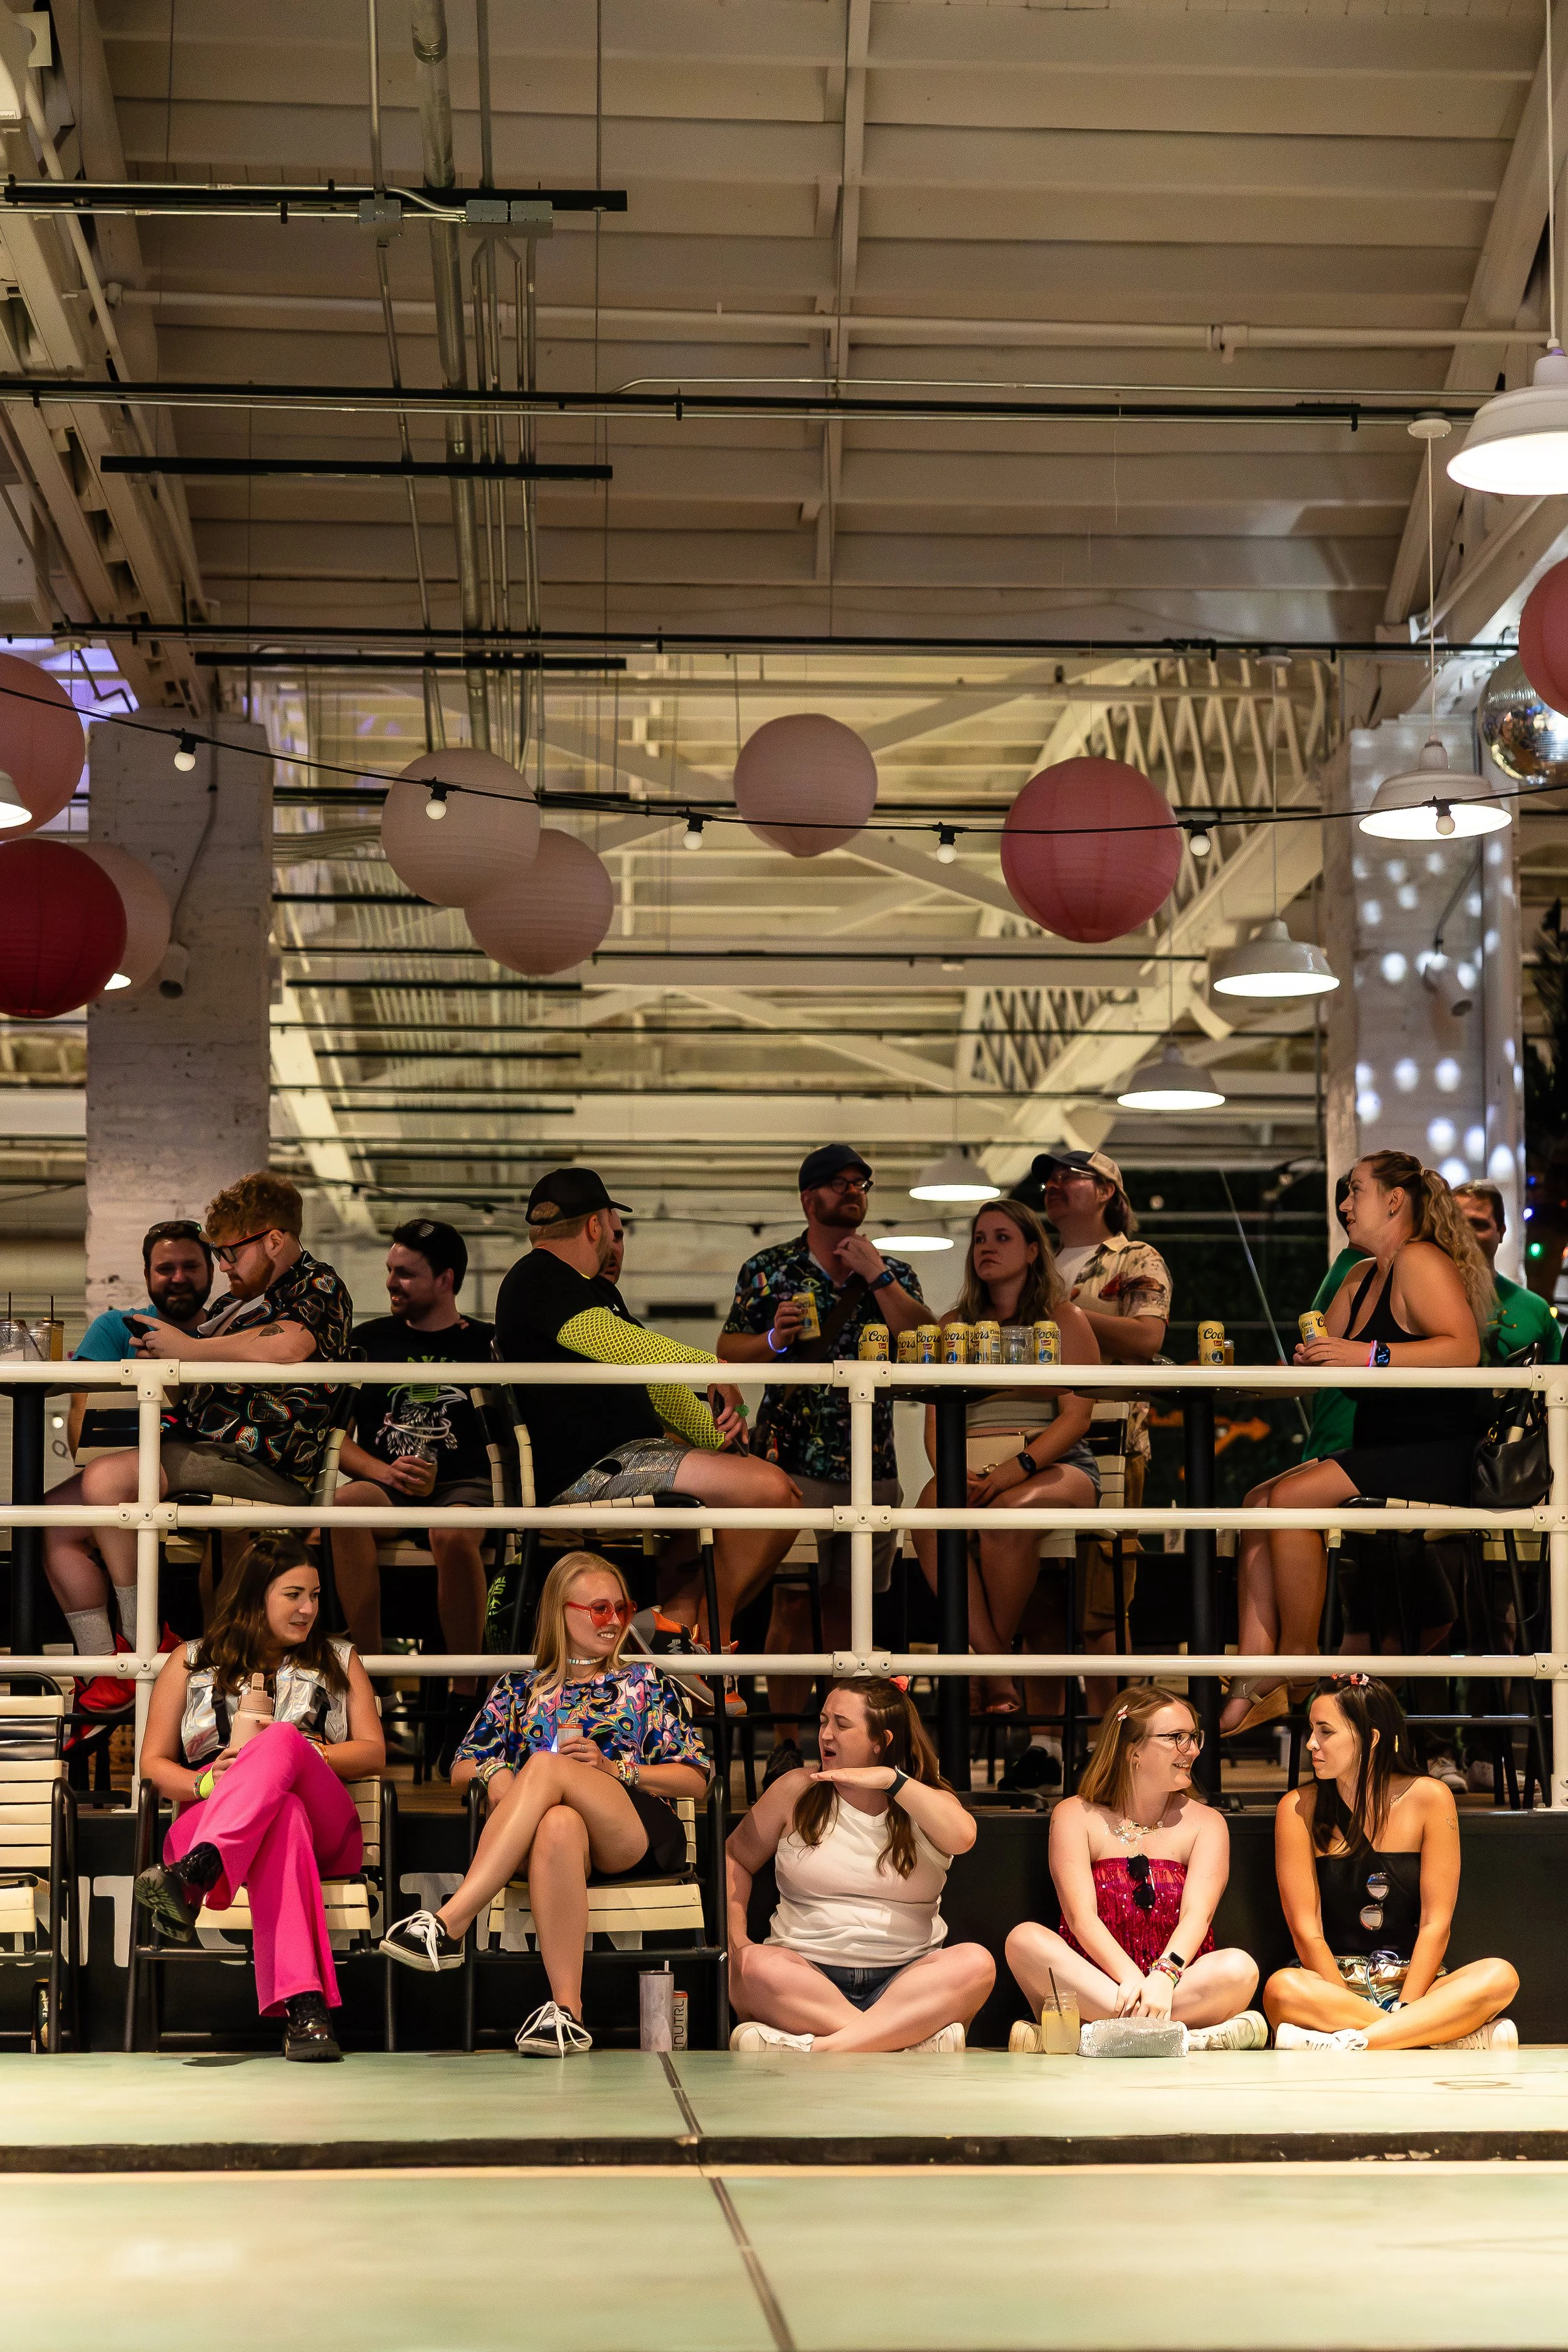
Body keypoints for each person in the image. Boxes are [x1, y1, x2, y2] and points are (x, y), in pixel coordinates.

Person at [378, 1549, 711, 2057]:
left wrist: (613, 1768)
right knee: (556, 1820)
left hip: (634, 1826)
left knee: (547, 1766)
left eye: (622, 1608)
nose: (615, 1621)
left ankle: (451, 1922)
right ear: (561, 1611)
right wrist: (497, 1775)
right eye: (599, 1609)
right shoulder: (518, 1689)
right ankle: (567, 2012)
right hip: (557, 1840)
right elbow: (462, 1765)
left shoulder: (645, 1680)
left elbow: (695, 1779)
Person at [1221, 1153, 1492, 1736]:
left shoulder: (1420, 1260)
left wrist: (1368, 1354)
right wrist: (1304, 1361)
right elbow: (1332, 1357)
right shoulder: (1359, 1275)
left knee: (1290, 1498)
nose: (1344, 1205)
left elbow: (1462, 1349)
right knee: (1254, 1501)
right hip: (1381, 1446)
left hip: (1433, 1451)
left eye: (1355, 1192)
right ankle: (1251, 1676)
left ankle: (1296, 1663)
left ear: (1395, 1200)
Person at [495, 1168, 798, 1653]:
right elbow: (612, 1341)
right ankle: (701, 1638)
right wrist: (712, 1367)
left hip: (631, 1456)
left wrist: (718, 1436)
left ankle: (678, 1627)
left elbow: (651, 1382)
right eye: (614, 1230)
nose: (617, 1244)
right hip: (596, 1469)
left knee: (778, 1495)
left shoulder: (590, 1289)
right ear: (595, 1226)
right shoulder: (538, 1277)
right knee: (771, 1492)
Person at [132, 1534, 386, 2061]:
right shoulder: (190, 1660)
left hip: (327, 1829)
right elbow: (154, 1766)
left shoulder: (339, 1658)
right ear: (254, 1596)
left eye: (315, 1596)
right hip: (213, 1812)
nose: (308, 1609)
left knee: (283, 1741)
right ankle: (305, 2009)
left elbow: (373, 1753)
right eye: (294, 1595)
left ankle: (197, 1873)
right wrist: (206, 1783)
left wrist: (302, 1754)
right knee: (283, 1815)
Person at [718, 1144, 927, 1777]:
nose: (852, 1191)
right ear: (808, 1199)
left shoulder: (893, 1270)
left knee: (849, 1602)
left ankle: (845, 1739)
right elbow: (728, 1350)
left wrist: (879, 1276)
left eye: (861, 1182)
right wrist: (775, 1340)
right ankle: (785, 1738)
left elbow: (922, 1342)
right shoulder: (770, 1268)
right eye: (838, 1184)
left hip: (872, 1459)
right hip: (789, 1455)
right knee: (790, 1602)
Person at [70, 1171, 354, 1616]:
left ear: (275, 1241)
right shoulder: (232, 1305)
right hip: (212, 1453)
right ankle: (144, 1643)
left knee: (106, 1481)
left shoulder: (318, 1285)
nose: (223, 1266)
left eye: (230, 1253)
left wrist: (191, 1349)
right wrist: (164, 1365)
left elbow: (290, 1344)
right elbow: (197, 1391)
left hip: (264, 1464)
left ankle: (137, 1632)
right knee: (69, 1505)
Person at [1006, 1150, 1172, 1789]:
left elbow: (1149, 1339)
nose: (1052, 1186)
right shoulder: (1037, 1260)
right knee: (1042, 1593)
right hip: (1035, 1433)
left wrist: (1066, 1317)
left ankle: (1114, 1746)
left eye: (1068, 1176)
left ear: (1106, 1191)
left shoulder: (1137, 1259)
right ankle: (1044, 1742)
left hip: (1109, 1438)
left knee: (1102, 1605)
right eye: (1048, 1178)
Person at [724, 1676, 994, 2052]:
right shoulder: (795, 1789)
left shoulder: (926, 1800)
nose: (826, 1735)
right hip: (807, 1976)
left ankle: (819, 2050)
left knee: (976, 1964)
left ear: (880, 1741)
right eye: (823, 1721)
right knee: (753, 1966)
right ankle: (899, 2042)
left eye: (842, 1725)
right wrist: (737, 1944)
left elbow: (964, 1837)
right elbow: (735, 1856)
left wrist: (890, 1781)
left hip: (906, 1978)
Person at [911, 1201, 1100, 1714]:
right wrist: (953, 1471)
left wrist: (1020, 1467)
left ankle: (983, 1668)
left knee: (1005, 1518)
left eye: (1002, 1238)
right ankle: (996, 1665)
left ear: (1033, 1250)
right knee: (925, 1519)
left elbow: (1076, 1417)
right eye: (979, 1239)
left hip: (1055, 1464)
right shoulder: (953, 1325)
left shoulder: (1065, 1318)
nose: (987, 1248)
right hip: (968, 1463)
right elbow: (933, 1420)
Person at [1264, 1673, 1518, 2051]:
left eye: (1326, 1731)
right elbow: (1307, 1932)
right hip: (1332, 1985)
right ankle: (1433, 2035)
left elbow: (1437, 1923)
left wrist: (1409, 2003)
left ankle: (1354, 2040)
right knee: (1282, 1988)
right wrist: (1348, 2001)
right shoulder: (1297, 1808)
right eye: (1311, 1730)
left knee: (1501, 1976)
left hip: (1415, 1983)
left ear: (1372, 1738)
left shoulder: (1432, 1798)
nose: (1312, 1744)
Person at [1004, 1685, 1264, 2050]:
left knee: (1240, 1969)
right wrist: (1132, 1980)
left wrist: (1163, 1976)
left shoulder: (1207, 1823)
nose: (1192, 1750)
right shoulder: (1074, 1815)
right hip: (1098, 1982)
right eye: (1176, 1738)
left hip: (1175, 1983)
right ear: (1133, 1750)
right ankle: (1185, 2036)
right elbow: (1080, 1919)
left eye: (1193, 1737)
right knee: (1024, 1941)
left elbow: (1197, 1916)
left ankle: (1089, 2035)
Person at [327, 1219, 495, 1768]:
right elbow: (333, 1439)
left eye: (406, 1273)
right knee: (346, 1506)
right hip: (388, 1484)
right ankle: (372, 1682)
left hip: (464, 1487)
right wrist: (385, 1471)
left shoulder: (486, 1344)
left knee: (450, 1532)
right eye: (390, 1271)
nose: (392, 1282)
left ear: (446, 1279)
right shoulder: (370, 1341)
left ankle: (465, 1698)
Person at [45, 1219, 215, 1711]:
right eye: (165, 1268)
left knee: (103, 1481)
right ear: (146, 1273)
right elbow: (78, 1409)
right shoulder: (116, 1326)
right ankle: (104, 1669)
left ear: (210, 1271)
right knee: (51, 1523)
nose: (178, 1277)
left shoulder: (225, 1328)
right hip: (125, 1463)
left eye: (190, 1266)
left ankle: (143, 1640)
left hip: (197, 1463)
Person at [1452, 1180, 1561, 1363]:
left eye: (1478, 1225)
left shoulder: (1536, 1310)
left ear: (1501, 1232)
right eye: (1456, 1224)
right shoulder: (1418, 1301)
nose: (1465, 1234)